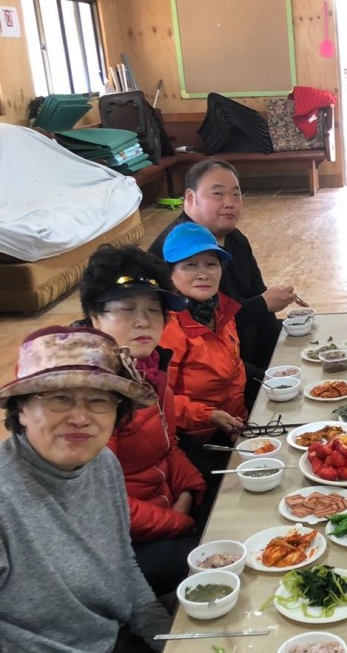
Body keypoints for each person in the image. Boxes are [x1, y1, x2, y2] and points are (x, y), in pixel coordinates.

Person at [0, 326, 185, 653]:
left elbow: (123, 568)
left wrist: (165, 636)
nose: (80, 416)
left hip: (98, 641)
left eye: (99, 401)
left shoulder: (102, 465)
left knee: (214, 611)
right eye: (59, 397)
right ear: (21, 409)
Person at [79, 245, 207, 596]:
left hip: (164, 508)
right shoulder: (87, 393)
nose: (143, 321)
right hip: (118, 545)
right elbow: (104, 508)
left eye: (153, 310)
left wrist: (188, 490)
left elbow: (167, 446)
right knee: (219, 552)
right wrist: (178, 521)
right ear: (94, 316)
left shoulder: (149, 368)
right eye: (126, 308)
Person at [149, 160, 306, 373]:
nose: (229, 203)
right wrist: (265, 379)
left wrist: (276, 365)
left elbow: (260, 299)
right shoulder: (173, 250)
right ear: (190, 198)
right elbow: (204, 330)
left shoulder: (234, 237)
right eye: (218, 194)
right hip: (210, 367)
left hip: (244, 352)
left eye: (235, 194)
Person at [159, 222, 250, 476]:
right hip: (191, 442)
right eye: (190, 265)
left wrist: (240, 421)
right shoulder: (167, 327)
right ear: (170, 274)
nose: (203, 274)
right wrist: (209, 416)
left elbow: (235, 369)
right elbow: (158, 399)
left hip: (230, 428)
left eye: (211, 264)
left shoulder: (221, 310)